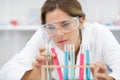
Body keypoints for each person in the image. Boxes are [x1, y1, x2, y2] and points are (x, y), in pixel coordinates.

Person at [0, 0, 120, 80]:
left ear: (81, 21)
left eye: (65, 24)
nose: (58, 34)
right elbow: (7, 72)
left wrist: (110, 79)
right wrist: (36, 74)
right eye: (51, 27)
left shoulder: (99, 33)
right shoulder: (43, 35)